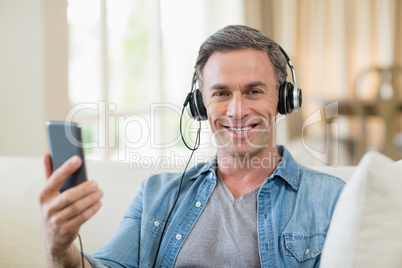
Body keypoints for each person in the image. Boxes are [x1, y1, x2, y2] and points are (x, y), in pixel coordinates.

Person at [39, 25, 345, 267]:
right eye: (221, 93)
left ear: (283, 100)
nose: (236, 111)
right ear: (200, 106)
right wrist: (60, 250)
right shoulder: (156, 194)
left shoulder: (331, 199)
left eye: (253, 91)